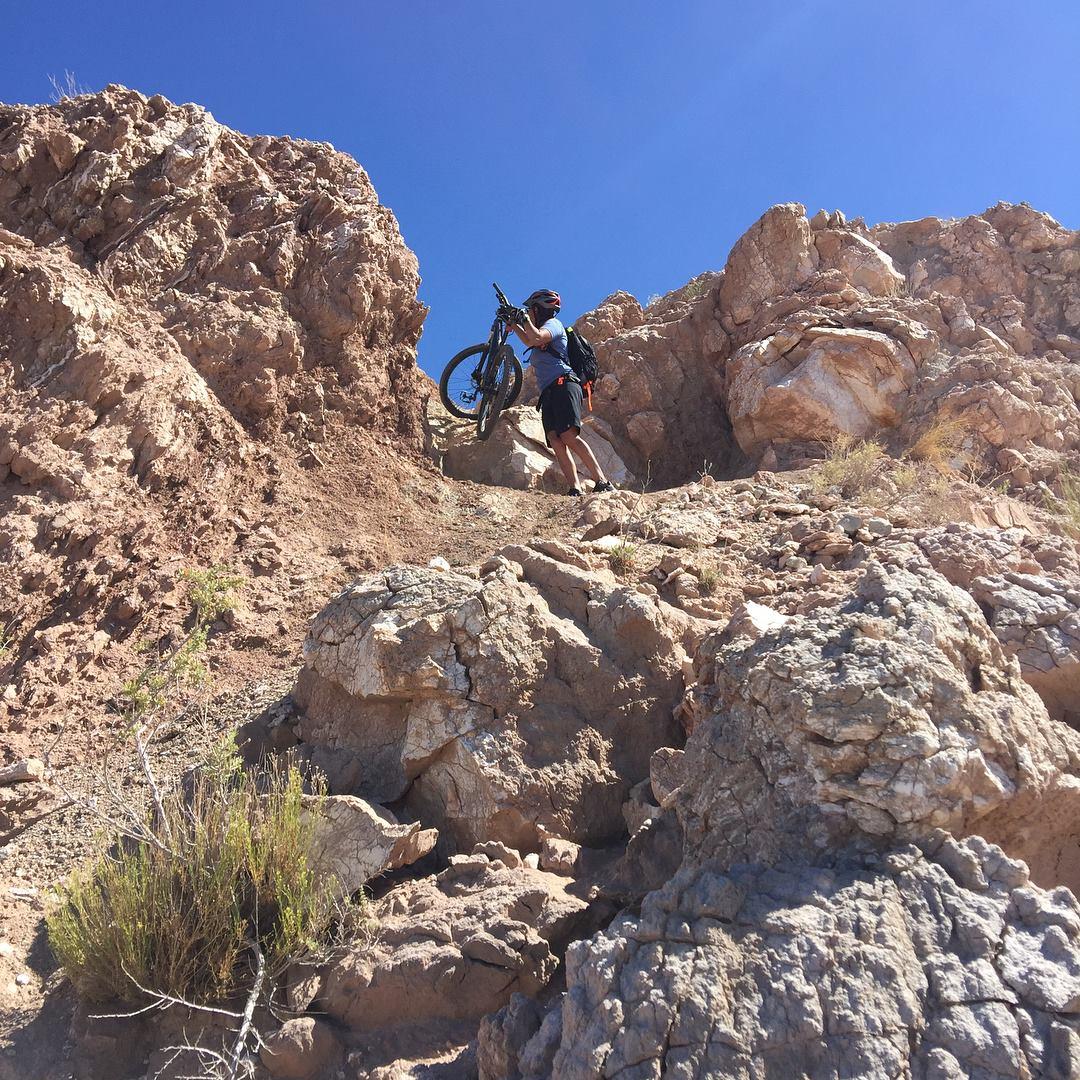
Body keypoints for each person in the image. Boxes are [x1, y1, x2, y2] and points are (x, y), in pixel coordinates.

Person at [509, 288, 614, 496]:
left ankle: (602, 481)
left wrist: (523, 320)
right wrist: (514, 323)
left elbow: (537, 337)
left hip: (564, 384)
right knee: (556, 440)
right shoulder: (537, 329)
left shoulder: (553, 325)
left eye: (530, 309)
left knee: (568, 436)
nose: (528, 313)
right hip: (549, 391)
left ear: (540, 309)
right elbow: (530, 340)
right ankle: (574, 488)